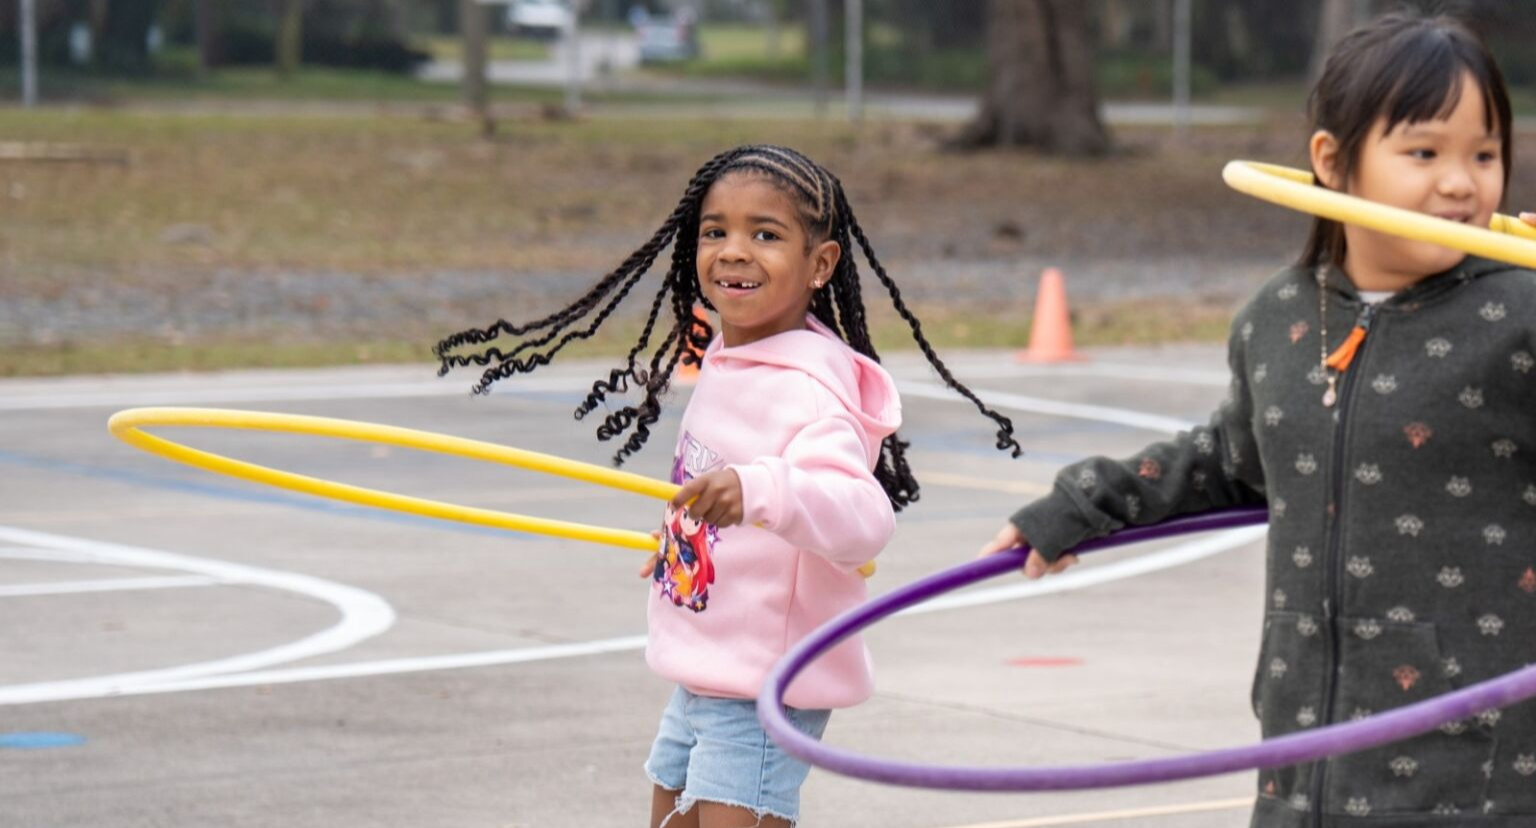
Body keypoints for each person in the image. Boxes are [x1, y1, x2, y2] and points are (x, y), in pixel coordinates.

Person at [979, 12, 1536, 826]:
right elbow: (1229, 457)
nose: (1462, 183)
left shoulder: (1521, 316)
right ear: (1332, 163)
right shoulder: (1277, 319)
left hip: (1478, 772)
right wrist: (1082, 505)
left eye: (1485, 155)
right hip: (1303, 757)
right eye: (1425, 152)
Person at [436, 144, 1020, 827]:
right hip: (708, 663)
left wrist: (757, 489)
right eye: (716, 232)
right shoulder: (728, 352)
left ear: (820, 264)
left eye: (765, 235)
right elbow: (717, 485)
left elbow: (863, 518)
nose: (734, 251)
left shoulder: (810, 388)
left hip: (768, 678)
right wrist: (687, 537)